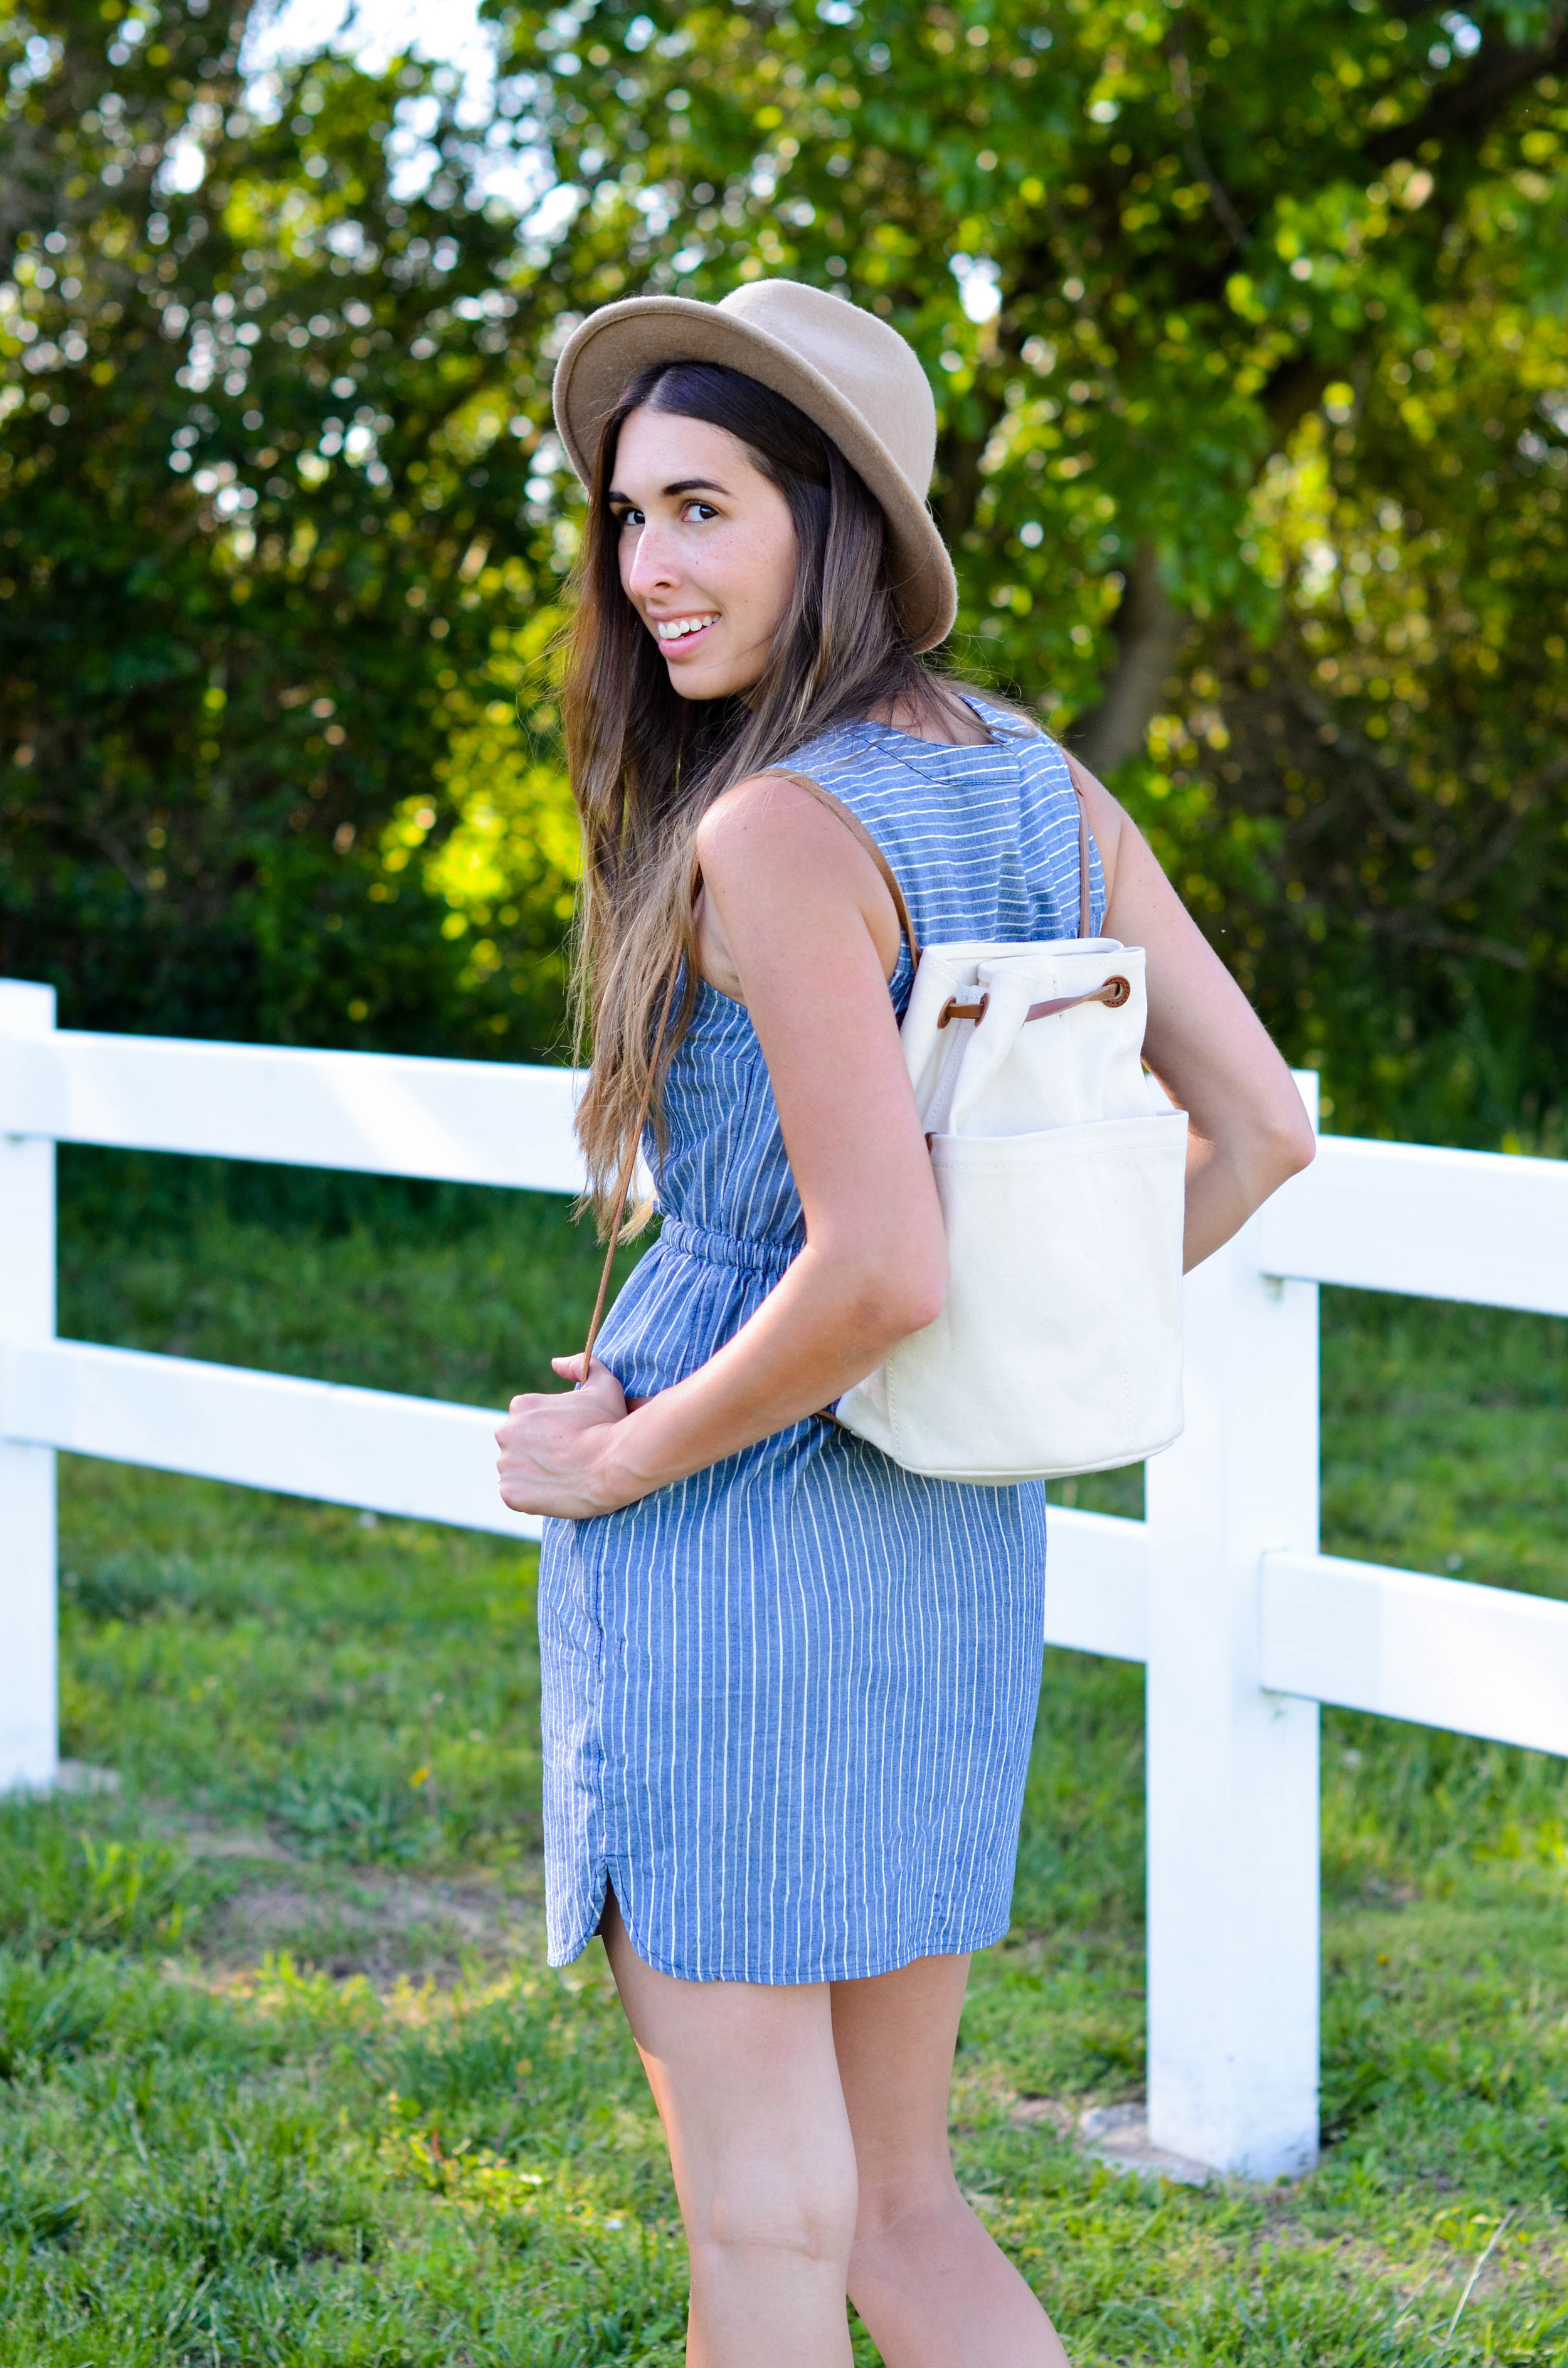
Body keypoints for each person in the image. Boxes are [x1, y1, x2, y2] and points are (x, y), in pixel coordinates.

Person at [495, 279, 1315, 2367]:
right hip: (945, 1540)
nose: (645, 568)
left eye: (701, 511)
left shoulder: (779, 824)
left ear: (832, 521)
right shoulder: (1039, 784)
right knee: (902, 2212)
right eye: (625, 515)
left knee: (768, 2238)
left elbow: (875, 1264)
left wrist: (629, 1449)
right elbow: (1259, 1127)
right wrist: (987, 1359)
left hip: (740, 1546)